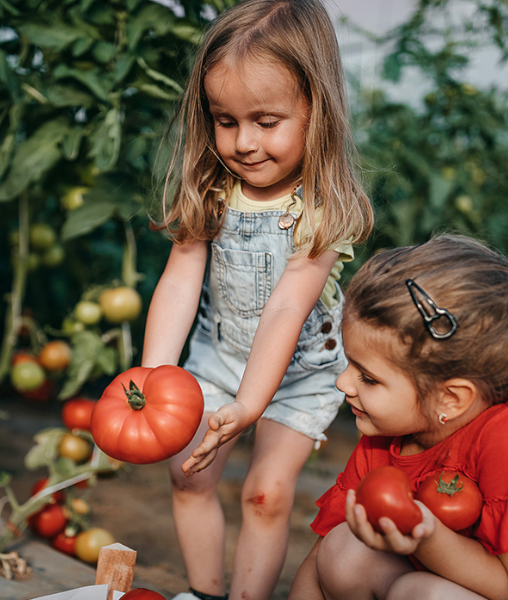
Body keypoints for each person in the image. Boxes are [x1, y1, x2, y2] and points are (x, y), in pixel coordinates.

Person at [140, 1, 374, 599]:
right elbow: (180, 279)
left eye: (266, 121)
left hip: (301, 371)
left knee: (265, 494)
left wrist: (250, 405)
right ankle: (204, 593)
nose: (243, 142)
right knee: (187, 474)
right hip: (219, 357)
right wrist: (155, 374)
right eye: (225, 120)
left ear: (316, 110)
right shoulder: (212, 186)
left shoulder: (321, 206)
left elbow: (287, 308)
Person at [288, 234, 508, 600]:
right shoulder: (382, 442)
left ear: (451, 398)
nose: (343, 383)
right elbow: (317, 562)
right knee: (341, 550)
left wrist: (424, 534)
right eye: (349, 363)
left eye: (368, 377)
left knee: (420, 591)